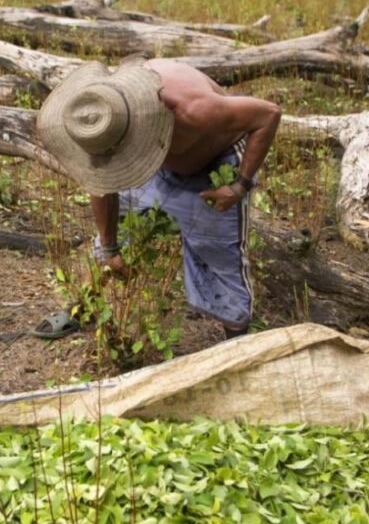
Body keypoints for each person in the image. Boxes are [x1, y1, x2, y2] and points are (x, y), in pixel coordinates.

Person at [34, 57, 282, 340]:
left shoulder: (195, 109)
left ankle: (236, 340)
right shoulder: (99, 118)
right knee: (112, 236)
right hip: (154, 163)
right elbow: (101, 183)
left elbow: (268, 114)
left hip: (214, 164)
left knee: (217, 252)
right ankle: (83, 308)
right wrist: (111, 249)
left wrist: (240, 185)